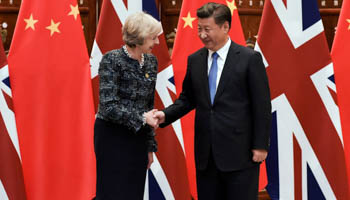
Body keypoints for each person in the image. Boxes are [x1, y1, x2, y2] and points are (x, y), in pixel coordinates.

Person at [154, 2, 271, 200]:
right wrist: (164, 114)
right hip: (206, 156)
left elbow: (261, 105)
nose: (202, 35)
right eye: (199, 29)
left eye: (207, 29)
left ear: (225, 27)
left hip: (240, 155)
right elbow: (187, 99)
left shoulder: (249, 59)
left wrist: (260, 145)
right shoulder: (195, 60)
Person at [93, 12, 161, 199]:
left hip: (138, 137)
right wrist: (141, 118)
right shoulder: (111, 60)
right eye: (153, 37)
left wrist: (149, 146)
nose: (157, 42)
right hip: (112, 136)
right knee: (112, 192)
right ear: (139, 38)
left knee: (134, 192)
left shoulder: (151, 62)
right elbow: (108, 105)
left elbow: (148, 105)